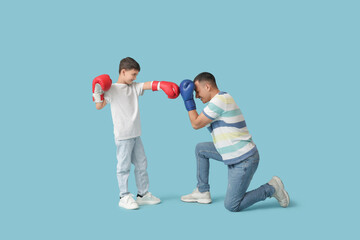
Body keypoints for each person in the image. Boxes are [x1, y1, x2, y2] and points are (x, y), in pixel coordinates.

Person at [178, 72, 290, 212]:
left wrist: (187, 101)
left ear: (207, 86)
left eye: (197, 91)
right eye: (193, 93)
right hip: (232, 152)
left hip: (243, 159)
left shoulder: (220, 101)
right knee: (201, 149)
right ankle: (202, 191)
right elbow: (198, 121)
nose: (197, 95)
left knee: (232, 205)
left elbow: (195, 124)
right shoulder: (217, 102)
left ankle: (272, 188)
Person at [92, 57, 179, 210]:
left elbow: (147, 85)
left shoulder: (133, 87)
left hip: (136, 134)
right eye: (133, 74)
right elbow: (99, 106)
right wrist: (97, 90)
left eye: (136, 75)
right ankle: (124, 196)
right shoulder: (111, 89)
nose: (135, 78)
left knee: (141, 164)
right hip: (123, 136)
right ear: (123, 72)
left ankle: (142, 194)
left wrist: (162, 85)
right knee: (123, 167)